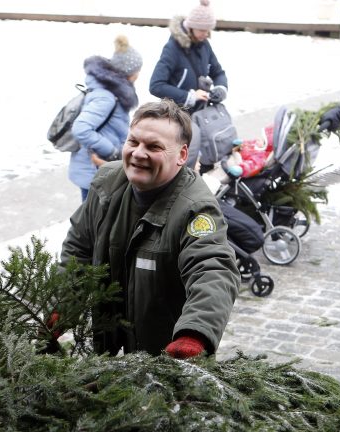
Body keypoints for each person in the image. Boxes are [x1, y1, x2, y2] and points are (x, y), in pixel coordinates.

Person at [60, 99, 239, 358]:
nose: (138, 153)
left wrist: (194, 334)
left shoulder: (196, 208)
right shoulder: (106, 184)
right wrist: (61, 306)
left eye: (154, 147)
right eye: (133, 142)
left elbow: (213, 269)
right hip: (108, 339)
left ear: (182, 155)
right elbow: (78, 248)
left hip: (166, 354)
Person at [149, 0, 228, 168]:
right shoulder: (172, 49)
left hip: (200, 113)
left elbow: (218, 72)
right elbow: (155, 85)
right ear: (190, 27)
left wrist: (221, 88)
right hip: (176, 114)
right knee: (185, 159)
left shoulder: (204, 44)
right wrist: (189, 96)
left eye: (208, 31)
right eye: (202, 30)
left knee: (213, 149)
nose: (205, 34)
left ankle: (203, 182)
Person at [68, 35, 143, 202]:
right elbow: (81, 128)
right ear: (129, 73)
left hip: (100, 168)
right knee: (92, 223)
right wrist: (111, 151)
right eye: (137, 70)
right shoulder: (107, 97)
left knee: (98, 220)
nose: (139, 74)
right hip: (94, 168)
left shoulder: (114, 93)